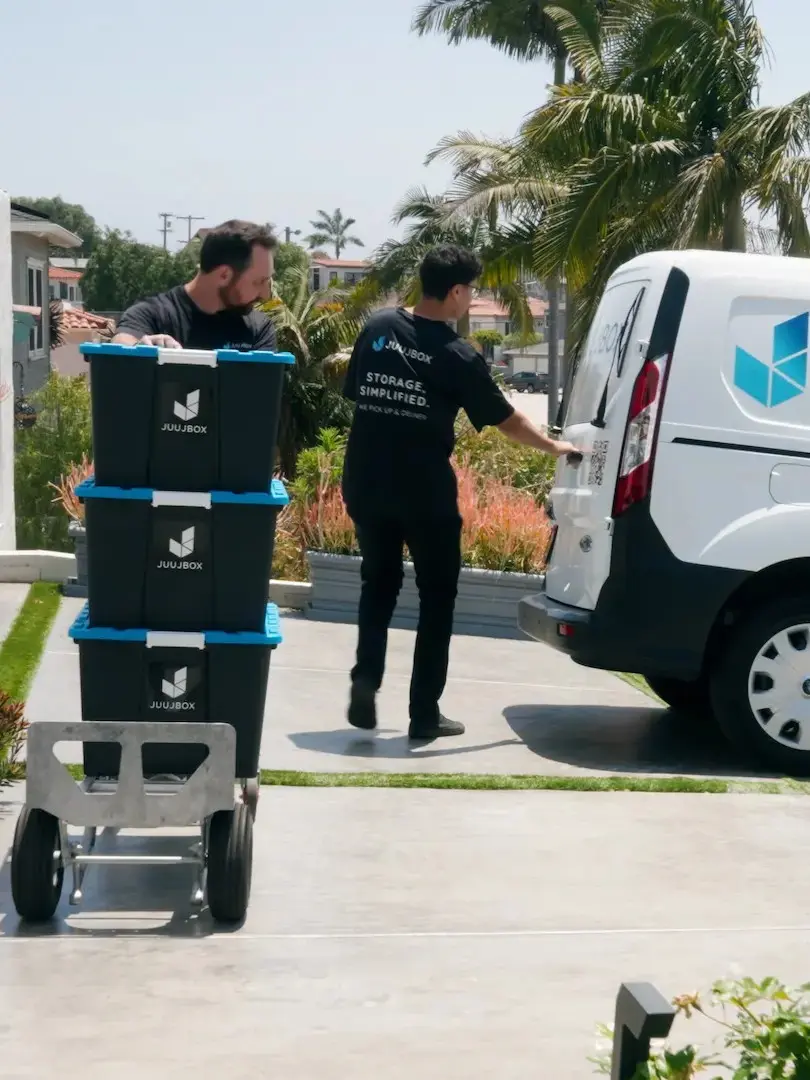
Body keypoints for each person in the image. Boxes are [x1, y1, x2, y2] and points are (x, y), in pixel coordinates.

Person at [341, 244, 579, 741]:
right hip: (424, 495)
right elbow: (505, 420)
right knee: (437, 598)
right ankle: (423, 714)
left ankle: (365, 679)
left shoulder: (378, 327)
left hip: (366, 482)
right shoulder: (458, 355)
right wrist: (554, 446)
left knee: (377, 585)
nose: (470, 301)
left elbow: (358, 394)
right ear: (454, 291)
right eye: (470, 291)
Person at [113, 219, 278, 351]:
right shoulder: (152, 316)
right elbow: (120, 345)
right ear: (224, 275)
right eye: (259, 282)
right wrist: (140, 349)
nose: (265, 295)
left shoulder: (258, 329)